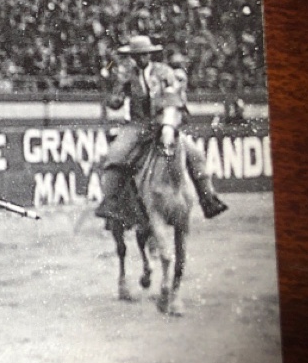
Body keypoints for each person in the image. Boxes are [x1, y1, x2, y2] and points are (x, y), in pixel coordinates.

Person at [95, 35, 227, 224]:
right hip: (136, 125)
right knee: (115, 154)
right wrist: (114, 90)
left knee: (195, 154)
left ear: (150, 54)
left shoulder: (163, 72)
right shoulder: (126, 74)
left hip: (161, 123)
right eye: (138, 55)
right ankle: (111, 202)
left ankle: (208, 199)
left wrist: (168, 122)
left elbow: (172, 98)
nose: (142, 58)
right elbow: (115, 102)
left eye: (145, 55)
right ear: (132, 56)